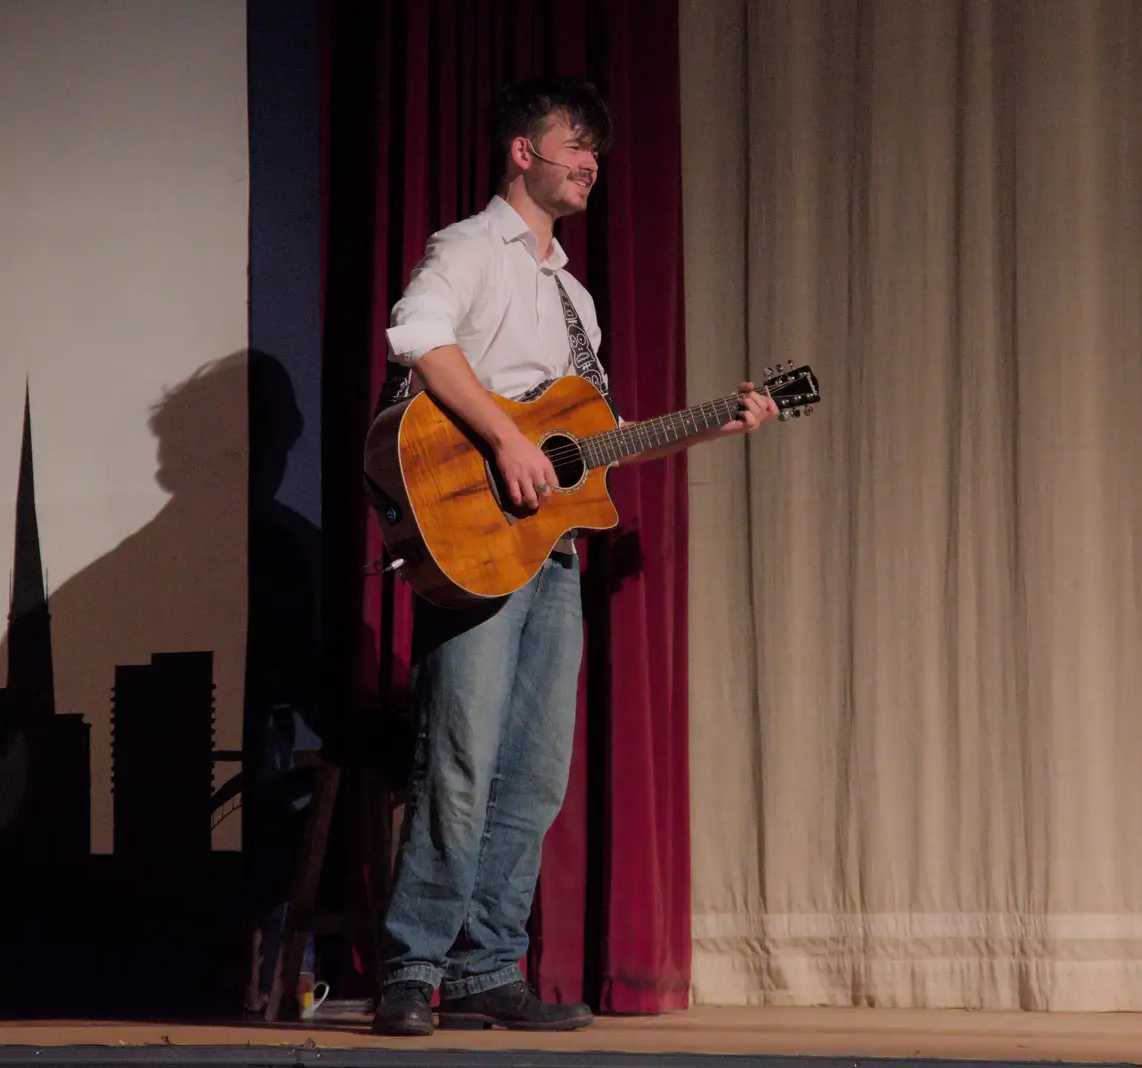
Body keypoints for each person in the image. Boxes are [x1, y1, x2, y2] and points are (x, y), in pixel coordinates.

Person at [369, 75, 778, 1037]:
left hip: (549, 557)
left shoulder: (578, 301)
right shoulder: (470, 250)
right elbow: (416, 334)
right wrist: (507, 443)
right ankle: (412, 968)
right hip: (472, 535)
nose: (592, 162)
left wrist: (717, 424)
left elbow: (597, 440)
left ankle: (485, 970)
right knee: (460, 763)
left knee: (536, 772)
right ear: (524, 153)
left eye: (595, 148)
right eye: (574, 144)